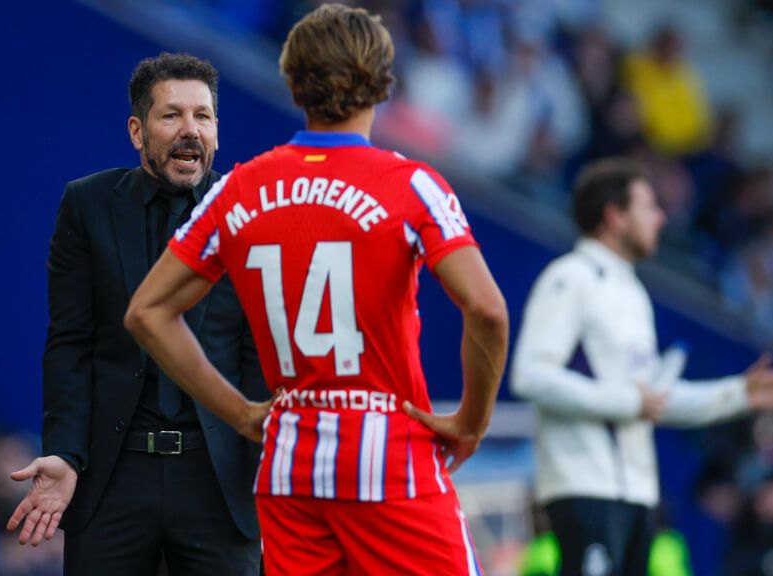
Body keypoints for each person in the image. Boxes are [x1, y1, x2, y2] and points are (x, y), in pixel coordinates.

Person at [125, 5, 509, 575]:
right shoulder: (411, 186)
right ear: (383, 83)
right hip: (387, 454)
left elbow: (146, 313)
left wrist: (239, 413)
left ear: (293, 83)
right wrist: (472, 422)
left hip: (289, 459)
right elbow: (487, 310)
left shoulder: (238, 188)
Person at [6, 53, 267, 576]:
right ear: (137, 130)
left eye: (203, 116)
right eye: (171, 115)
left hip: (218, 484)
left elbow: (259, 353)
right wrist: (65, 453)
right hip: (112, 478)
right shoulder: (87, 204)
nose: (190, 131)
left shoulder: (249, 209)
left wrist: (268, 470)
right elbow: (70, 343)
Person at [511, 156, 773, 576]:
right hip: (584, 486)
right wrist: (627, 400)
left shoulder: (634, 293)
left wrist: (740, 394)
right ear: (614, 217)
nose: (662, 218)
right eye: (649, 207)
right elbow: (530, 375)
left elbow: (651, 401)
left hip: (636, 496)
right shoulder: (570, 277)